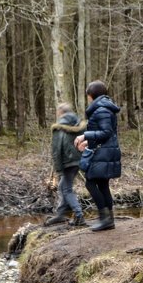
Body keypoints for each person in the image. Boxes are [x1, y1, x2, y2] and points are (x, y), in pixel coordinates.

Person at [73, 81, 121, 231]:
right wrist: (88, 141)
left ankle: (105, 219)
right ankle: (108, 219)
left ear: (91, 95)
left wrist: (84, 135)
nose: (87, 98)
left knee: (90, 182)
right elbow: (104, 133)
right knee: (102, 184)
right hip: (105, 150)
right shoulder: (104, 108)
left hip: (103, 152)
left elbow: (106, 133)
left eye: (87, 95)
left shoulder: (101, 110)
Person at [45, 102, 86, 227]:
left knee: (66, 188)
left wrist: (58, 169)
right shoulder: (79, 125)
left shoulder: (59, 128)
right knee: (64, 186)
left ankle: (79, 216)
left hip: (67, 162)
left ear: (60, 113)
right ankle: (60, 214)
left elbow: (57, 150)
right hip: (78, 160)